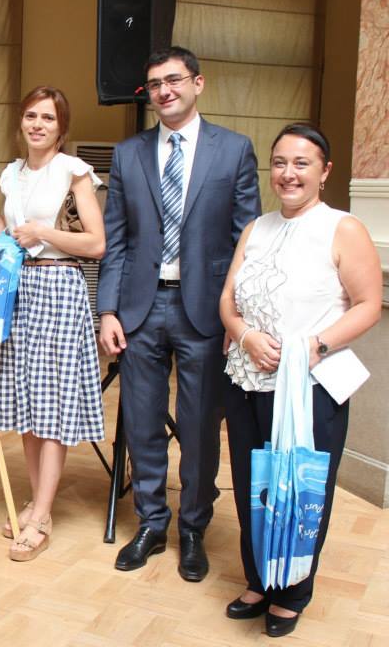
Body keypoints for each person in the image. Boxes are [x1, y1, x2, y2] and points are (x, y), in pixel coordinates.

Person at [96, 46, 261, 581]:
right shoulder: (129, 154)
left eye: (173, 80)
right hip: (140, 309)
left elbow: (247, 242)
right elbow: (117, 239)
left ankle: (193, 527)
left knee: (199, 426)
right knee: (143, 422)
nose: (164, 91)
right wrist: (108, 310)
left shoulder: (233, 150)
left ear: (197, 83)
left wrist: (239, 318)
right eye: (154, 85)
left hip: (206, 312)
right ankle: (151, 522)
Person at [219, 124, 381, 637]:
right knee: (253, 484)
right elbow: (228, 299)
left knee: (300, 487)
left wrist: (315, 346)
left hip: (308, 387)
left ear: (324, 172)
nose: (288, 174)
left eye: (301, 163)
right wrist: (244, 335)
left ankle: (292, 591)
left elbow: (369, 304)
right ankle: (259, 579)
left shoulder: (343, 228)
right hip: (246, 380)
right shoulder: (256, 228)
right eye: (280, 163)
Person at [0, 86, 106, 561]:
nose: (38, 124)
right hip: (19, 290)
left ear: (61, 127)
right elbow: (10, 241)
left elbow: (96, 244)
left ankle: (43, 516)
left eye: (48, 118)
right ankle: (36, 501)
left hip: (59, 288)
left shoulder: (74, 172)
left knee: (51, 408)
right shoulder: (12, 173)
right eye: (31, 115)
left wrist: (45, 232)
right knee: (28, 405)